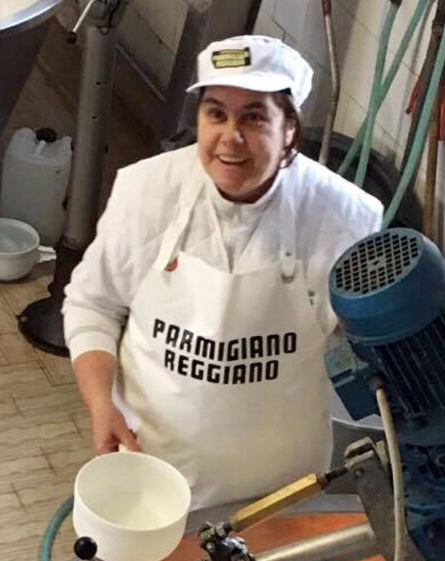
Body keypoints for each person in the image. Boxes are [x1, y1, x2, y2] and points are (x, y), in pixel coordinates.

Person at [63, 35, 383, 509]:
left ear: (290, 129)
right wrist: (100, 404)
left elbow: (368, 346)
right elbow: (93, 303)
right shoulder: (146, 191)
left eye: (254, 117)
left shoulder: (346, 217)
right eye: (216, 113)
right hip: (149, 469)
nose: (230, 137)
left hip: (281, 488)